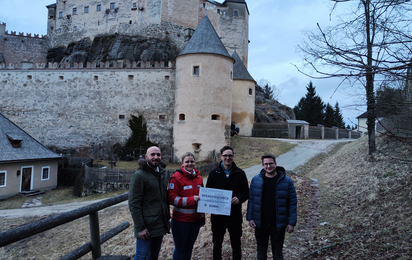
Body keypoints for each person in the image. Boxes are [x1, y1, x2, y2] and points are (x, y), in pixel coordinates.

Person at [246, 153, 297, 260]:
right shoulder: (256, 180)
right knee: (261, 252)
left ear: (275, 164)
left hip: (278, 224)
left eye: (271, 163)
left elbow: (292, 203)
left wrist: (291, 222)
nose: (268, 166)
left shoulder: (286, 181)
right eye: (266, 164)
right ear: (262, 165)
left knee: (277, 253)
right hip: (260, 223)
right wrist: (250, 217)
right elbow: (251, 200)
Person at [206, 145, 249, 260]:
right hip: (217, 216)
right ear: (221, 156)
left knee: (236, 245)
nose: (227, 158)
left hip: (234, 216)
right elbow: (208, 195)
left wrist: (239, 198)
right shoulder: (213, 173)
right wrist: (212, 209)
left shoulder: (240, 173)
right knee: (217, 245)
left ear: (233, 156)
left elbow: (246, 192)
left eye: (230, 155)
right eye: (225, 155)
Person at [128, 146, 170, 260]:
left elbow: (163, 199)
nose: (156, 157)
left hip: (159, 223)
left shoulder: (162, 173)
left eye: (158, 155)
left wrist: (166, 219)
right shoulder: (139, 175)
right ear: (146, 157)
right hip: (146, 226)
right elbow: (134, 203)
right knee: (141, 257)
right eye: (152, 155)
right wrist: (140, 227)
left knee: (154, 256)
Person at [168, 152, 205, 260]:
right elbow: (171, 198)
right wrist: (190, 200)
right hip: (181, 221)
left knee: (189, 248)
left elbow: (202, 200)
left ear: (195, 162)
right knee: (180, 249)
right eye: (187, 162)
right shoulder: (176, 178)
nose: (190, 164)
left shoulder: (199, 178)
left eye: (192, 161)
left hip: (195, 221)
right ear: (182, 163)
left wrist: (202, 218)